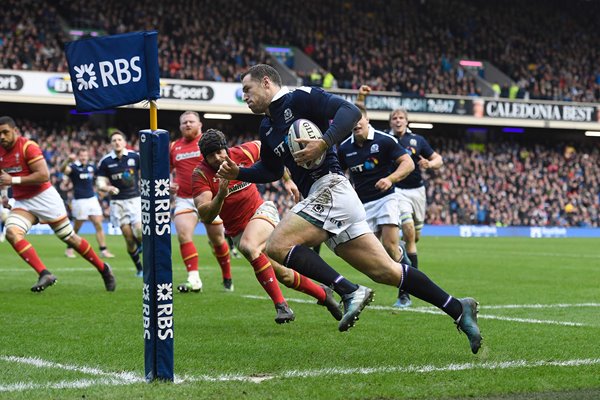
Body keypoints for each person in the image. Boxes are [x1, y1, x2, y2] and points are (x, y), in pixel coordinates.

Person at [218, 64, 481, 354]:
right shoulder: (267, 127)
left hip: (332, 188)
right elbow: (270, 169)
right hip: (326, 200)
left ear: (266, 82)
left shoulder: (300, 98)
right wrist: (238, 174)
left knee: (277, 245)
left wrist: (323, 143)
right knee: (386, 272)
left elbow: (350, 112)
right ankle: (459, 308)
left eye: (247, 89)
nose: (244, 96)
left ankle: (348, 291)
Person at [192, 129, 343, 323]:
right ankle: (324, 295)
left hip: (261, 212)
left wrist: (287, 180)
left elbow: (274, 152)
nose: (217, 158)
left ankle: (282, 307)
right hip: (237, 230)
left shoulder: (245, 151)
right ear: (204, 158)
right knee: (284, 275)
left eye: (219, 151)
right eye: (211, 155)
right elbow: (206, 215)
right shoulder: (201, 175)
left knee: (249, 246)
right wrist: (221, 194)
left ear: (226, 148)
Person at [0, 116, 116, 292]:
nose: (2, 136)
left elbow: (43, 175)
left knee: (70, 238)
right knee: (11, 233)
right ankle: (44, 273)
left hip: (45, 198)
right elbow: (3, 178)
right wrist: (4, 196)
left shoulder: (28, 146)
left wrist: (13, 180)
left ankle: (104, 269)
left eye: (5, 132)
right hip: (23, 202)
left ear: (15, 131)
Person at [338, 101, 415, 267]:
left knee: (390, 246)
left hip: (386, 199)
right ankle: (405, 261)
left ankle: (405, 291)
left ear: (367, 119)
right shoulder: (344, 148)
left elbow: (408, 163)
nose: (356, 123)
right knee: (373, 255)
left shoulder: (385, 140)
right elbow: (337, 173)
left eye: (359, 119)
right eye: (352, 120)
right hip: (362, 205)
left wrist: (390, 179)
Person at [170, 111, 233, 293]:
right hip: (184, 199)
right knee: (183, 235)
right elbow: (166, 168)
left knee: (218, 240)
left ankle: (227, 276)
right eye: (184, 123)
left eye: (191, 122)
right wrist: (168, 183)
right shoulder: (174, 147)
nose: (187, 125)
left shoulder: (208, 145)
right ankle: (194, 278)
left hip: (209, 198)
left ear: (200, 125)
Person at [388, 107, 444, 307]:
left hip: (418, 193)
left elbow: (438, 159)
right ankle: (406, 293)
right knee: (409, 230)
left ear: (407, 121)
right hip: (397, 191)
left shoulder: (418, 141)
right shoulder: (387, 139)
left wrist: (431, 165)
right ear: (390, 122)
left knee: (414, 238)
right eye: (394, 118)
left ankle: (405, 250)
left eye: (401, 117)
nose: (398, 120)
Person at [96, 130, 143, 277]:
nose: (117, 142)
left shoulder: (135, 157)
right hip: (118, 203)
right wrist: (107, 187)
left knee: (139, 231)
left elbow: (147, 172)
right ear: (111, 144)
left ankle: (141, 244)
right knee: (129, 238)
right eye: (114, 140)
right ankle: (139, 268)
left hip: (135, 200)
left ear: (124, 142)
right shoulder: (105, 161)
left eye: (119, 139)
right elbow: (100, 182)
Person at [60, 148, 115, 259]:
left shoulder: (91, 167)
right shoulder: (74, 167)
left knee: (98, 224)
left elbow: (98, 179)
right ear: (78, 156)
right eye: (81, 155)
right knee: (77, 227)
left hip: (92, 199)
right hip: (79, 201)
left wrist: (101, 190)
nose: (84, 157)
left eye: (85, 155)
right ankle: (69, 248)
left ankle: (103, 250)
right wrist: (67, 160)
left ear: (88, 156)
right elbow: (63, 170)